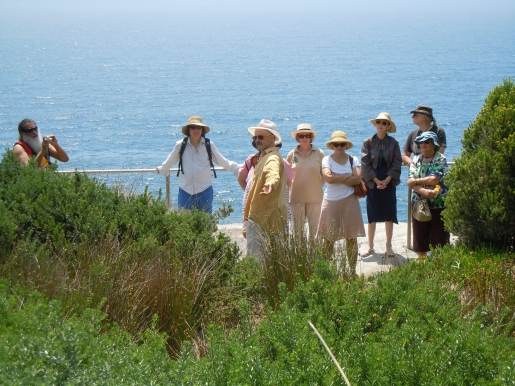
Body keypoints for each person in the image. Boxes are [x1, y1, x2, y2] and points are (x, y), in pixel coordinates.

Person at [157, 115, 239, 213]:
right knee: (185, 223)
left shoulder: (209, 145)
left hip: (205, 191)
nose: (196, 130)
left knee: (206, 223)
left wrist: (238, 168)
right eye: (193, 127)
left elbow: (222, 161)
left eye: (198, 127)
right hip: (185, 191)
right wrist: (161, 169)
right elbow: (169, 162)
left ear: (202, 130)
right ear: (188, 130)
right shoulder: (180, 145)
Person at [316, 130, 365, 275]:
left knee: (351, 238)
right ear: (332, 145)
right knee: (328, 239)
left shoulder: (353, 159)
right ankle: (326, 272)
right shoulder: (326, 159)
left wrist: (337, 176)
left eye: (342, 144)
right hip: (331, 202)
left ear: (346, 145)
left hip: (350, 201)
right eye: (336, 144)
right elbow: (328, 178)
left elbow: (357, 179)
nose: (339, 147)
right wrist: (346, 176)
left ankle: (351, 271)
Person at [243, 119, 287, 260]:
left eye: (260, 137)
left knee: (257, 261)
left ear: (272, 138)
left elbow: (272, 173)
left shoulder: (272, 158)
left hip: (262, 219)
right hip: (263, 217)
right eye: (255, 137)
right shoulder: (265, 156)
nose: (257, 140)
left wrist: (270, 184)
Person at [360, 113, 402, 257]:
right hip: (373, 183)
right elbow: (365, 164)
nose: (381, 125)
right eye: (379, 122)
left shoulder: (394, 143)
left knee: (389, 215)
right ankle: (370, 247)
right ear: (375, 124)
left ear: (388, 126)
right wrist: (376, 181)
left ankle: (388, 247)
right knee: (372, 216)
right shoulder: (368, 142)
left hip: (389, 182)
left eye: (384, 123)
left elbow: (397, 163)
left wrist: (388, 179)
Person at [407, 131, 450, 259]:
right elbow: (410, 181)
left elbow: (434, 179)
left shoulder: (440, 159)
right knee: (420, 240)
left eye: (427, 142)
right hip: (419, 205)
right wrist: (424, 191)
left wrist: (416, 182)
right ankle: (422, 267)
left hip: (438, 205)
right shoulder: (416, 159)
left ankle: (439, 267)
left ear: (434, 144)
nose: (423, 145)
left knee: (439, 240)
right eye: (421, 143)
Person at [286, 123, 324, 241]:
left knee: (315, 234)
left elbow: (325, 175)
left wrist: (315, 186)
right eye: (301, 136)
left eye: (307, 135)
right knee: (297, 234)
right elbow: (287, 177)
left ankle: (314, 259)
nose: (304, 138)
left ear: (311, 137)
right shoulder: (291, 154)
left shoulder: (319, 153)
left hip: (316, 199)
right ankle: (299, 259)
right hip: (296, 199)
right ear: (297, 137)